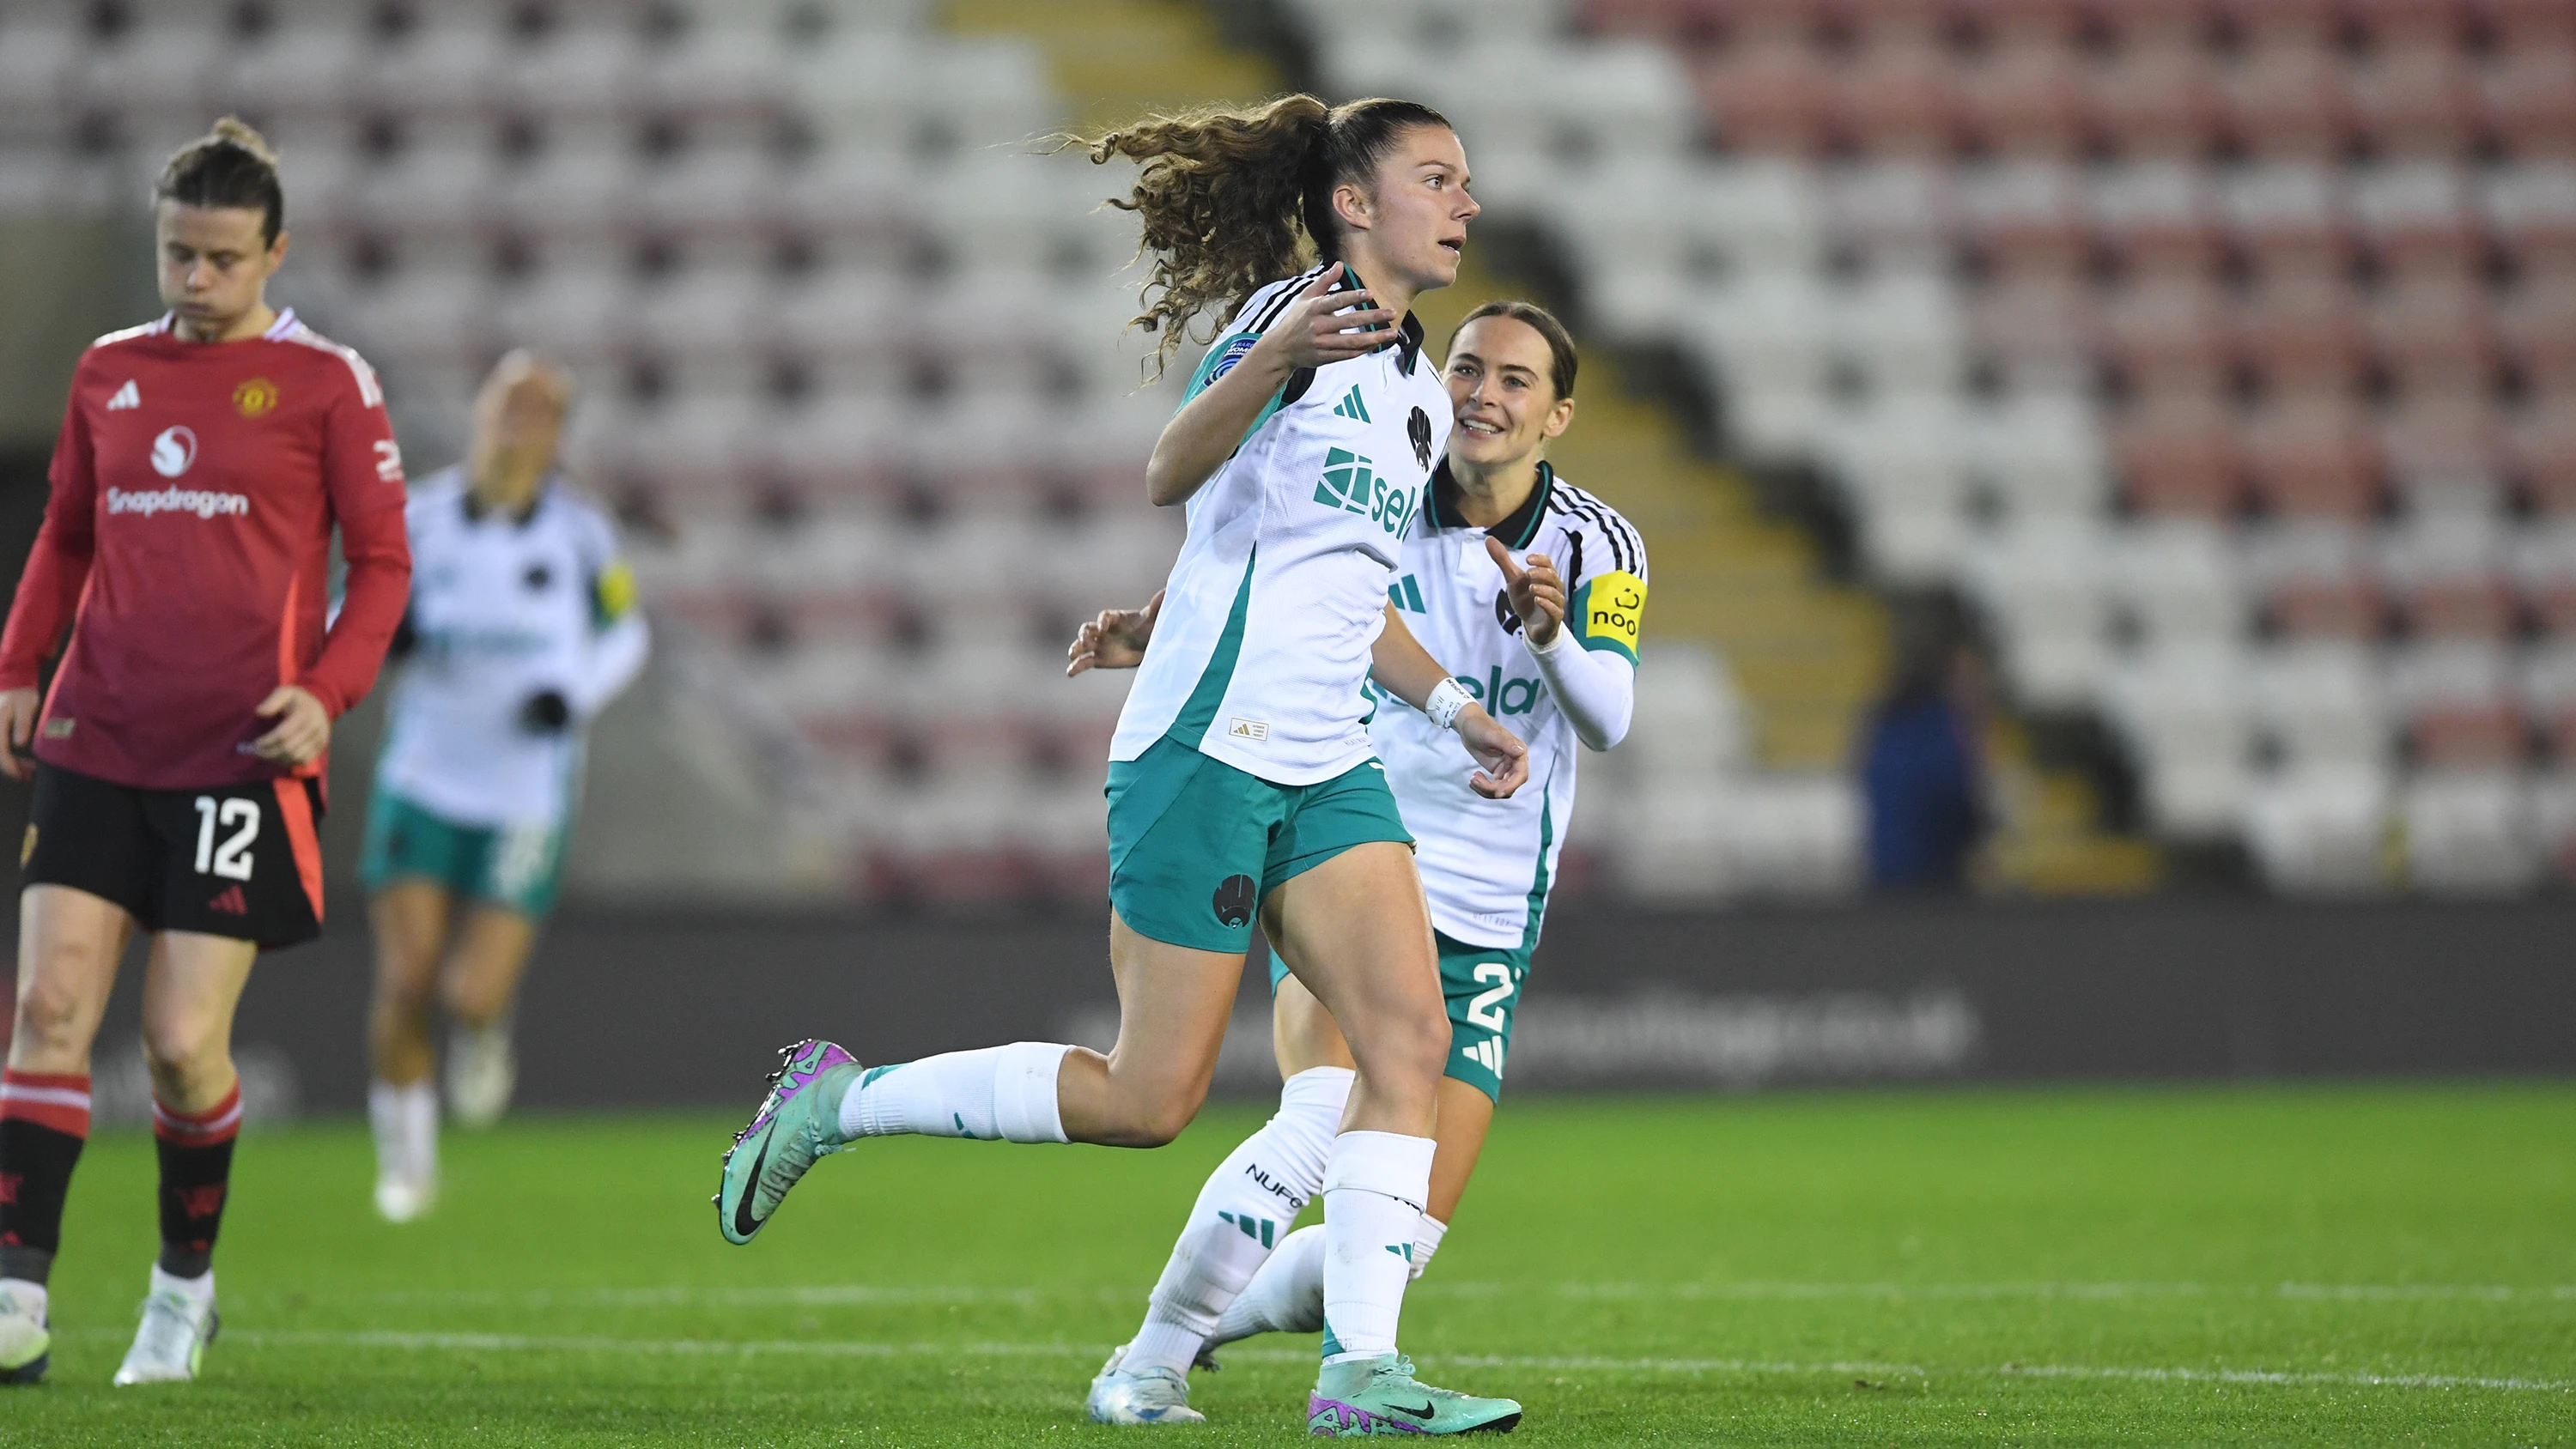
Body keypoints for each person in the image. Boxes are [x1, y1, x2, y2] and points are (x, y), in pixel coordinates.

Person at [711, 95, 1531, 1435]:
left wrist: (1451, 710)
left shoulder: (1411, 392)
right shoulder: (1294, 325)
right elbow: (1168, 469)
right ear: (1353, 204)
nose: (1466, 202)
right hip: (1208, 752)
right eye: (1438, 178)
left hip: (1326, 760)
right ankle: (841, 1099)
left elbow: (1336, 588)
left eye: (1464, 182)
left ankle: (1359, 1380)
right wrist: (1269, 358)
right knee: (1149, 1100)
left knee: (1409, 1039)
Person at [1067, 300, 1648, 1420]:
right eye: (1468, 366)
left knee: (1396, 1243)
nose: (1482, 392)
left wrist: (1551, 634)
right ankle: (1155, 1357)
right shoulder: (1374, 488)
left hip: (1484, 907)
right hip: (1345, 852)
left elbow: (1610, 717)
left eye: (1515, 380)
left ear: (1557, 414)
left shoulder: (1598, 544)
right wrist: (1165, 628)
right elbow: (1259, 576)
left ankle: (1199, 1326)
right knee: (1323, 1112)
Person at [0, 118, 411, 1386]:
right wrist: (21, 663)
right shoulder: (106, 370)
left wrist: (327, 693)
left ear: (273, 253)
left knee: (182, 1046)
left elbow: (384, 566)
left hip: (237, 753)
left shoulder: (326, 385)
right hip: (97, 731)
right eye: (178, 254)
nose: (194, 282)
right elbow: (66, 532)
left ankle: (183, 1291)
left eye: (222, 260)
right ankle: (16, 1293)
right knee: (49, 1004)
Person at [360, 350, 647, 1222]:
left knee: (468, 992)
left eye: (537, 411)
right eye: (504, 406)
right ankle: (406, 1162)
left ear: (558, 434)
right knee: (406, 976)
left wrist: (576, 693)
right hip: (423, 777)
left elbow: (626, 630)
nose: (516, 424)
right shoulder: (421, 519)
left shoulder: (582, 532)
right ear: (480, 414)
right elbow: (365, 610)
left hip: (525, 791)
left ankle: (485, 1033)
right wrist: (387, 633)